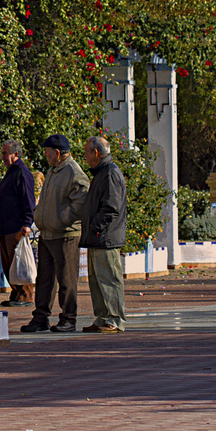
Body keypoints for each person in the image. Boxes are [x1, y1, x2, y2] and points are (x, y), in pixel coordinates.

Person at [21, 134, 88, 333]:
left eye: (47, 151)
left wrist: (60, 220)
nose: (45, 154)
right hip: (47, 234)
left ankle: (68, 319)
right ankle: (40, 318)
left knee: (67, 280)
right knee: (44, 279)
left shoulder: (73, 172)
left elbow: (81, 204)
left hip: (65, 235)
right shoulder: (53, 170)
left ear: (57, 153)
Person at [80, 135, 128, 333]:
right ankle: (102, 317)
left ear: (96, 153)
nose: (84, 157)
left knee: (109, 278)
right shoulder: (102, 172)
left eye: (86, 153)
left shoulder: (109, 173)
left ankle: (114, 319)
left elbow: (111, 207)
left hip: (105, 237)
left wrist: (95, 226)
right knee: (97, 279)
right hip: (98, 237)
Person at [0, 139, 36, 307]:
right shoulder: (12, 172)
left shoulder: (21, 173)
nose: (3, 157)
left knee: (18, 262)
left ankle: (25, 294)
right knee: (10, 263)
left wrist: (27, 223)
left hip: (15, 226)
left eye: (5, 153)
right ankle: (17, 293)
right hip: (5, 227)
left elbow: (27, 199)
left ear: (15, 154)